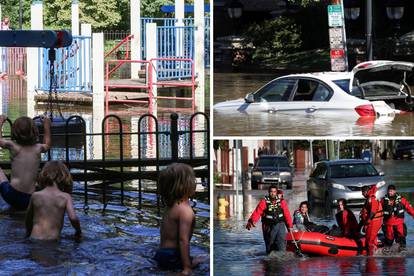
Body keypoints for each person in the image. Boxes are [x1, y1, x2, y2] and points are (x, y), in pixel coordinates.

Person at [0, 115, 51, 210]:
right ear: (34, 132)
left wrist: (1, 122)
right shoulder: (38, 148)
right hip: (29, 198)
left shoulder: (13, 146)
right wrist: (46, 126)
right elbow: (47, 144)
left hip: (11, 195)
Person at [154, 163, 196, 275]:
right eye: (193, 181)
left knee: (200, 259)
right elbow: (183, 240)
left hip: (161, 254)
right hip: (173, 255)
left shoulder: (170, 207)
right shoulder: (185, 211)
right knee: (204, 261)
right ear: (186, 185)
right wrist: (187, 268)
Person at [25, 161, 81, 240]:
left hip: (35, 239)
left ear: (43, 174)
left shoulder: (35, 195)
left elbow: (28, 218)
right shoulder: (65, 197)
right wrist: (78, 231)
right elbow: (73, 218)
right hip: (52, 241)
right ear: (64, 176)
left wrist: (28, 232)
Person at [246, 185, 293, 254]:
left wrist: (290, 226)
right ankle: (269, 257)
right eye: (271, 191)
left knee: (282, 241)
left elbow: (287, 214)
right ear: (268, 192)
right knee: (270, 243)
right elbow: (257, 212)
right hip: (268, 226)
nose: (273, 193)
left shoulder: (282, 202)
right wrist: (252, 221)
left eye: (274, 192)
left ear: (276, 193)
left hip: (280, 224)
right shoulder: (264, 202)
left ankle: (282, 257)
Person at [381, 185, 414, 251]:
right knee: (388, 243)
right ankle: (387, 255)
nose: (390, 193)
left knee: (401, 241)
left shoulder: (402, 199)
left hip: (399, 224)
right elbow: (377, 211)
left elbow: (409, 209)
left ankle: (402, 252)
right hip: (388, 225)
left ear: (395, 191)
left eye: (391, 191)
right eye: (389, 191)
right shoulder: (383, 200)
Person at [359, 185, 383, 256]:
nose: (362, 194)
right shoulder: (369, 198)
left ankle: (371, 256)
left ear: (366, 192)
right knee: (371, 239)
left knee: (370, 240)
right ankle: (373, 252)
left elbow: (373, 211)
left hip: (373, 222)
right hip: (372, 222)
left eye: (362, 192)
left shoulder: (371, 199)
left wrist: (368, 221)